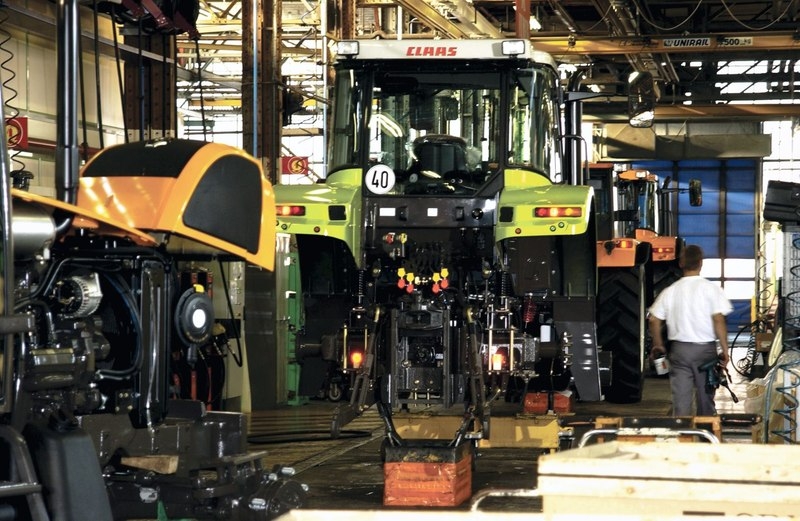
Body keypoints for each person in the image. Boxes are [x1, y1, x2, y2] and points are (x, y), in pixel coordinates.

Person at [648, 244, 733, 416]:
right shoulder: (711, 289)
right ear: (701, 263)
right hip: (705, 353)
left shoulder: (670, 291)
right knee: (705, 398)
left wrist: (658, 344)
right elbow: (718, 319)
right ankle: (706, 436)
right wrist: (725, 349)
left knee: (681, 400)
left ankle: (682, 435)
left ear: (680, 263)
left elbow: (653, 319)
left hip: (679, 352)